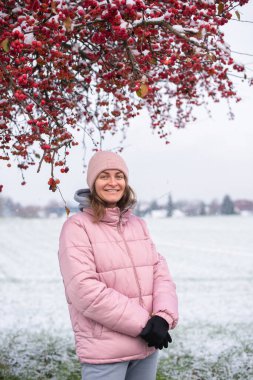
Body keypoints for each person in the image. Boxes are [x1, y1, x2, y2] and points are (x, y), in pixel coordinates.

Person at [58, 151, 178, 380]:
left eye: (119, 176)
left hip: (146, 346)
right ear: (93, 183)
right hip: (106, 351)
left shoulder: (138, 225)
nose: (113, 182)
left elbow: (160, 273)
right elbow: (85, 290)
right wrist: (145, 324)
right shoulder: (76, 228)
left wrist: (163, 318)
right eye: (104, 176)